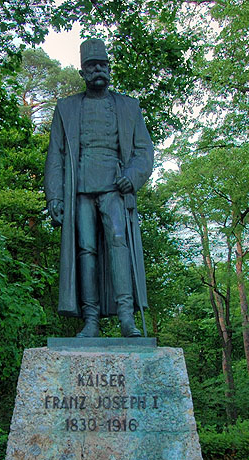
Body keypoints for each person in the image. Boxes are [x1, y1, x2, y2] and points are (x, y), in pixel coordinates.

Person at [45, 39, 154, 338]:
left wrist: (132, 176)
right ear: (82, 72)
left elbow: (144, 151)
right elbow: (55, 156)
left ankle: (125, 318)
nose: (98, 70)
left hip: (115, 188)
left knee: (119, 244)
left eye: (102, 65)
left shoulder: (128, 106)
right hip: (79, 189)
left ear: (109, 68)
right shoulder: (66, 108)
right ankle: (90, 319)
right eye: (92, 66)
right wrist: (54, 196)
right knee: (86, 250)